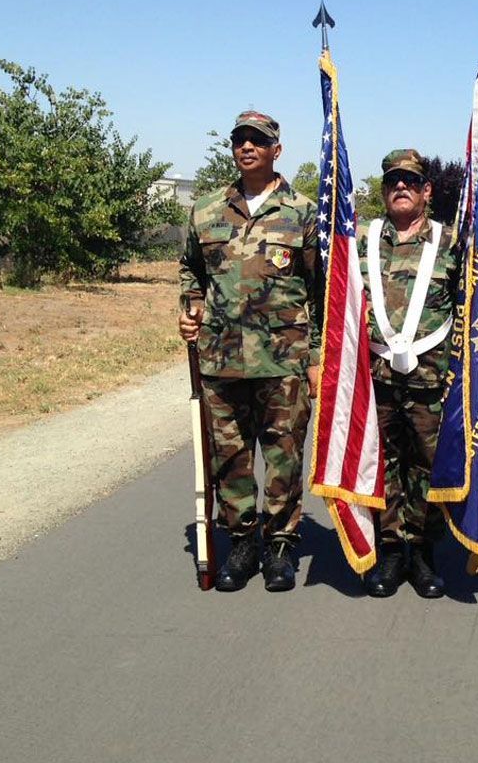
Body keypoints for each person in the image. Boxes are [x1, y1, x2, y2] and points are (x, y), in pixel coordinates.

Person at [178, 110, 321, 593]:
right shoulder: (205, 210)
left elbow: (321, 289)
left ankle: (281, 542)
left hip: (284, 360)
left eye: (257, 140)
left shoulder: (303, 211)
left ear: (276, 150)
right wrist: (190, 307)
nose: (247, 147)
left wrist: (317, 357)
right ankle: (241, 540)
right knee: (231, 457)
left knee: (283, 453)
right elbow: (190, 271)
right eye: (240, 139)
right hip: (221, 358)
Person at [360, 149, 459, 599]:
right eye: (393, 181)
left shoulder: (451, 242)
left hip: (432, 381)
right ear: (383, 191)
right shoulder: (363, 241)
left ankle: (422, 551)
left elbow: (471, 310)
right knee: (383, 464)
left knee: (427, 465)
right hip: (375, 377)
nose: (401, 187)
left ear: (426, 191)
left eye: (410, 181)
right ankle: (390, 549)